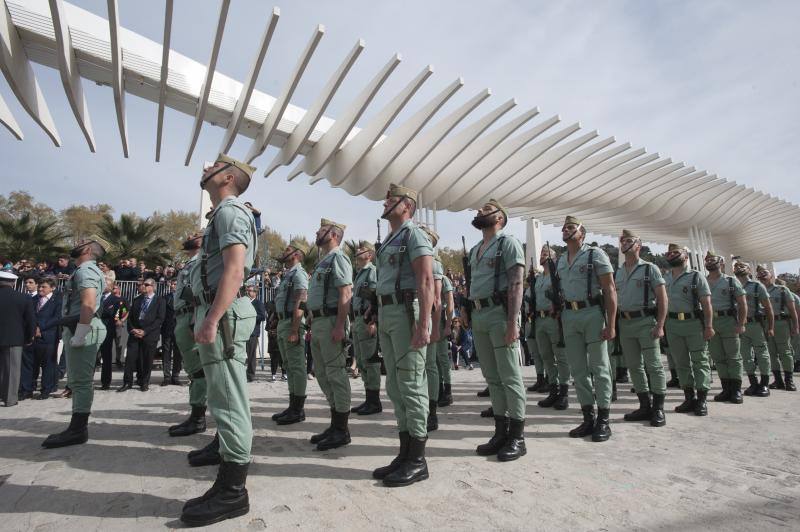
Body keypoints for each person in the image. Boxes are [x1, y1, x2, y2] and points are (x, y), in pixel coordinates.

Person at [181, 153, 258, 526]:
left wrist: (211, 318)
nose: (205, 169)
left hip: (223, 316)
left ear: (227, 178)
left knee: (229, 402)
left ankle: (233, 492)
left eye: (212, 166)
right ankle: (226, 483)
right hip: (217, 313)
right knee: (223, 399)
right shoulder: (220, 215)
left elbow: (234, 270)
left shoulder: (230, 212)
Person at [371, 184, 434, 487]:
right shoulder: (389, 240)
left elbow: (425, 281)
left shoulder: (414, 235)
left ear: (406, 205)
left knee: (410, 384)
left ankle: (417, 460)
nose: (385, 202)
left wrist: (424, 325)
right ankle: (404, 453)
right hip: (388, 314)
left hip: (407, 313)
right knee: (395, 386)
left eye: (391, 199)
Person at [465, 199, 527, 460]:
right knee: (492, 378)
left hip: (500, 315)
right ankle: (500, 431)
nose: (479, 212)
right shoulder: (476, 248)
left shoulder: (507, 243)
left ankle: (517, 437)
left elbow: (516, 284)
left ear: (499, 218)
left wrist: (513, 322)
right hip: (479, 315)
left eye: (486, 210)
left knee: (510, 376)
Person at [42, 236, 110, 447]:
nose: (76, 242)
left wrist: (80, 333)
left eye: (82, 242)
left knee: (80, 382)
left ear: (88, 249)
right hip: (83, 326)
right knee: (78, 381)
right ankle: (77, 427)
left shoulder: (85, 270)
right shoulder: (85, 270)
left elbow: (88, 302)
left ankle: (78, 430)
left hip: (84, 327)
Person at [557, 216, 617, 441]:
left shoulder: (595, 254)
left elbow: (610, 289)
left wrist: (611, 324)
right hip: (569, 315)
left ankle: (604, 419)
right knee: (578, 370)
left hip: (592, 313)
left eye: (571, 227)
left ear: (582, 233)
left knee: (600, 368)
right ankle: (588, 417)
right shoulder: (562, 260)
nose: (566, 230)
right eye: (564, 228)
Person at [306, 219, 354, 451]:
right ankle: (335, 425)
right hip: (319, 322)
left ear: (333, 234)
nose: (317, 231)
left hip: (331, 322)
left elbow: (345, 293)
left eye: (322, 229)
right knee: (323, 375)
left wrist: (339, 325)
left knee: (335, 374)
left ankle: (342, 430)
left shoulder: (338, 258)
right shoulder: (323, 261)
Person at [614, 230, 668, 426]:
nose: (625, 243)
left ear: (638, 245)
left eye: (629, 240)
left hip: (646, 322)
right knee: (634, 367)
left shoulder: (650, 268)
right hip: (625, 323)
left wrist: (661, 325)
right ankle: (644, 405)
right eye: (623, 240)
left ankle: (658, 408)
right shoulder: (618, 271)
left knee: (653, 365)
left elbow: (662, 299)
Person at [664, 244, 714, 416]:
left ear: (686, 256)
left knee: (700, 361)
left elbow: (707, 304)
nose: (671, 255)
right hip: (672, 324)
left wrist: (708, 326)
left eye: (676, 253)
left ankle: (701, 399)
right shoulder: (667, 277)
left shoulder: (696, 276)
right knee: (681, 363)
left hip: (693, 324)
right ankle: (688, 397)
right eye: (669, 253)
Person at [168, 231, 208, 439]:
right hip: (183, 317)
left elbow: (198, 293)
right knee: (193, 369)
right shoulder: (190, 262)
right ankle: (196, 414)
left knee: (198, 370)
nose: (191, 235)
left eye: (197, 234)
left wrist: (194, 321)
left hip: (191, 317)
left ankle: (198, 417)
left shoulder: (201, 260)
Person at [271, 240, 310, 424]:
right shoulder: (288, 274)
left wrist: (295, 329)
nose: (283, 251)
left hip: (292, 323)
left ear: (296, 254)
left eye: (287, 249)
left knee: (296, 367)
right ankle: (292, 405)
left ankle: (298, 409)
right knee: (288, 365)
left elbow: (301, 302)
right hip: (283, 322)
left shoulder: (299, 274)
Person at [704, 252, 748, 403]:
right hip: (711, 323)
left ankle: (736, 390)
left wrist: (741, 323)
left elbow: (742, 304)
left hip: (728, 321)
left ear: (721, 262)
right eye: (707, 260)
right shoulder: (702, 281)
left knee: (733, 357)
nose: (709, 262)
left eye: (712, 259)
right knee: (718, 357)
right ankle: (726, 388)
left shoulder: (730, 281)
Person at [532, 245, 571, 411]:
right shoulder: (539, 278)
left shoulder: (557, 276)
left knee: (560, 357)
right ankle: (553, 389)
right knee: (546, 356)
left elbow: (563, 296)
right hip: (540, 320)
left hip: (554, 319)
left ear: (554, 258)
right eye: (542, 253)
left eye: (546, 253)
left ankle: (564, 393)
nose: (542, 255)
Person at [349, 241, 384, 416]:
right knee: (362, 361)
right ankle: (368, 398)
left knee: (370, 361)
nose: (357, 251)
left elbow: (374, 298)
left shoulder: (372, 271)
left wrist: (372, 321)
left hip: (366, 320)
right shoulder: (360, 274)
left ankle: (374, 401)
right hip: (357, 320)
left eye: (361, 249)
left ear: (369, 255)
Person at [733, 262, 774, 397]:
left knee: (761, 354)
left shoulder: (757, 286)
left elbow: (768, 308)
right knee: (745, 356)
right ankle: (753, 382)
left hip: (756, 324)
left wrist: (771, 327)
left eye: (742, 266)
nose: (739, 268)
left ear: (749, 270)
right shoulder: (732, 285)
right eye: (736, 267)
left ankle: (764, 383)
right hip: (740, 325)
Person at [118, 279, 165, 392]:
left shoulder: (159, 301)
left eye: (146, 284)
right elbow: (130, 317)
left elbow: (159, 319)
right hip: (135, 334)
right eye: (143, 284)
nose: (143, 286)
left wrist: (145, 331)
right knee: (130, 358)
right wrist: (133, 329)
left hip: (149, 335)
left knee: (147, 360)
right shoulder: (137, 300)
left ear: (153, 287)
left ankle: (144, 382)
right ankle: (127, 382)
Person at [757, 266, 799, 390]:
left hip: (781, 323)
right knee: (771, 353)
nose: (763, 275)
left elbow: (792, 310)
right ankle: (778, 380)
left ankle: (789, 380)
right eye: (760, 274)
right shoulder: (758, 291)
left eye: (765, 273)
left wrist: (796, 325)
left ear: (772, 276)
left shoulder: (782, 290)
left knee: (785, 352)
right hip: (765, 324)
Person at [0, 271, 35, 407]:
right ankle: (9, 399)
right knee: (12, 370)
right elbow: (30, 320)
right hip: (14, 338)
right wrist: (29, 336)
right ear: (13, 283)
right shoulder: (23, 298)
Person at [29, 278, 62, 398]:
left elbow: (57, 318)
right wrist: (33, 328)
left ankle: (46, 389)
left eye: (44, 287)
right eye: (40, 287)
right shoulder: (33, 299)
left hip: (49, 336)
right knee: (33, 363)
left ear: (52, 288)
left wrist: (40, 328)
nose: (40, 289)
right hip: (33, 336)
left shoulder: (58, 301)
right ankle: (29, 388)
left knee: (48, 364)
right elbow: (29, 315)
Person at [98, 278, 127, 390]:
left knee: (106, 357)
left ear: (111, 286)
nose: (104, 286)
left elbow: (120, 313)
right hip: (93, 329)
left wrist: (118, 319)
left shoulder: (116, 299)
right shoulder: (95, 297)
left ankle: (105, 382)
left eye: (106, 284)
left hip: (107, 330)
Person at [161, 279, 181, 386]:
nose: (174, 286)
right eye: (173, 284)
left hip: (179, 328)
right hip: (167, 329)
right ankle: (166, 377)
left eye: (176, 284)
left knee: (178, 353)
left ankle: (176, 376)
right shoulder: (165, 298)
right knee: (166, 353)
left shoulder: (183, 296)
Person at [245, 285, 266, 382]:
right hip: (243, 332)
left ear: (255, 293)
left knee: (251, 355)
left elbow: (262, 316)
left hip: (253, 332)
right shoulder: (244, 302)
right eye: (247, 290)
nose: (248, 292)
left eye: (250, 290)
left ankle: (250, 375)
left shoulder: (258, 303)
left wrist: (251, 317)